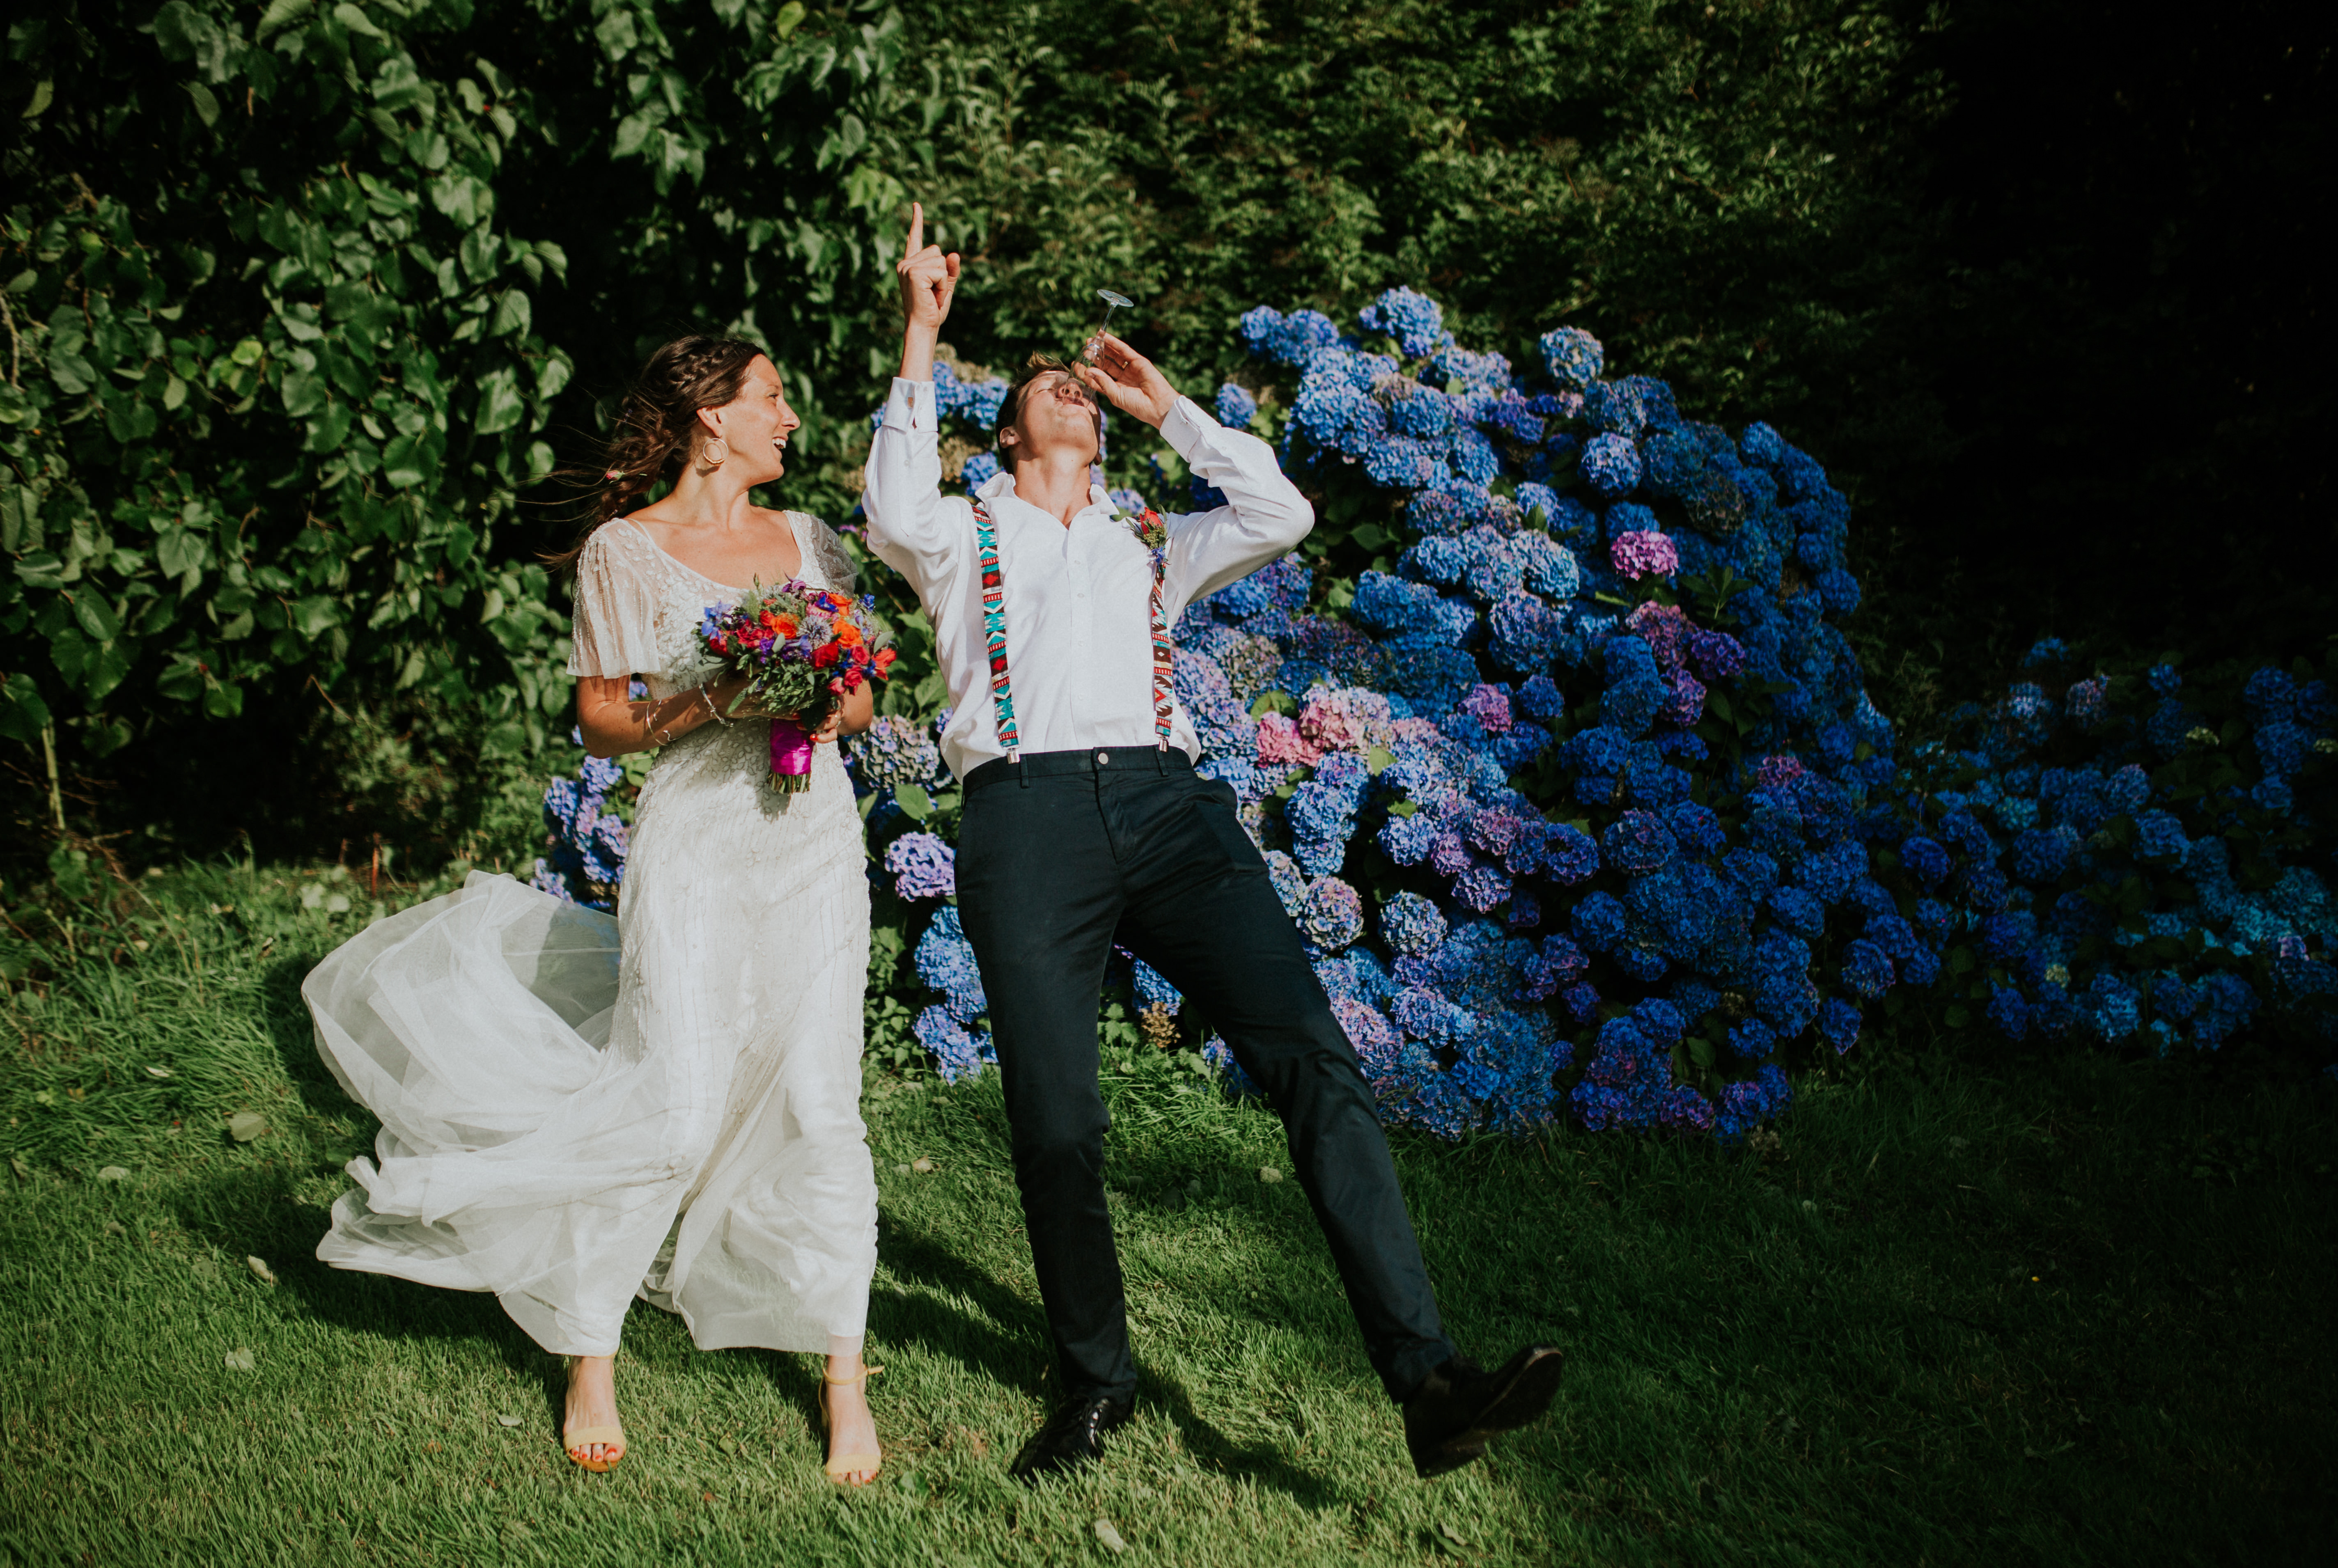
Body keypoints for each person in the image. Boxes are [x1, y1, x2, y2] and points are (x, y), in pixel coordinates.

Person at [863, 207, 1562, 1483]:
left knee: (1312, 1056)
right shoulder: (962, 536)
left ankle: (1426, 1378)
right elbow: (888, 505)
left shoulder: (1152, 543)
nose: (1074, 394)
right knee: (1059, 1120)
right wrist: (921, 327)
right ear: (1008, 434)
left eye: (1083, 387)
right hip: (1023, 817)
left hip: (1171, 808)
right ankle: (1094, 1382)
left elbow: (1280, 509)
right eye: (1051, 390)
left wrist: (1170, 408)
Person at [303, 336, 888, 1485]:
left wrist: (833, 706)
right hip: (694, 842)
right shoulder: (627, 550)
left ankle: (841, 1373)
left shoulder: (809, 540)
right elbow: (603, 723)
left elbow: (862, 688)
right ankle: (589, 1346)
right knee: (672, 1106)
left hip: (813, 840)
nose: (790, 419)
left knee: (823, 1101)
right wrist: (712, 695)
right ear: (710, 418)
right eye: (771, 399)